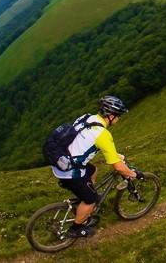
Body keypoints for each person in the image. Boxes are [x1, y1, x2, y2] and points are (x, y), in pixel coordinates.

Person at [53, 95, 138, 238]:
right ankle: (76, 228)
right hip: (70, 172)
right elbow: (118, 167)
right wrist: (134, 174)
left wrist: (115, 155)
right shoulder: (103, 134)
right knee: (91, 199)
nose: (119, 119)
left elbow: (84, 142)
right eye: (118, 116)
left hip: (60, 161)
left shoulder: (87, 118)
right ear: (110, 116)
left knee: (93, 170)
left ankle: (84, 197)